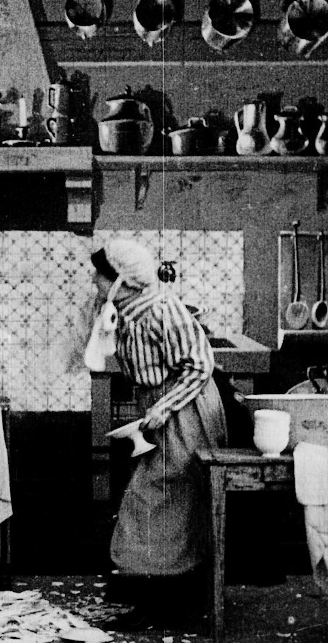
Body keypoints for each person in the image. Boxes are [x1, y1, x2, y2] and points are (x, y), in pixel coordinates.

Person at [89, 238, 227, 631]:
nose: (95, 283)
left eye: (100, 276)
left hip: (186, 411)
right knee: (160, 502)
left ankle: (171, 605)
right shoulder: (130, 311)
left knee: (164, 499)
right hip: (160, 409)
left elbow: (201, 365)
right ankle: (157, 603)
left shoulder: (163, 310)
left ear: (122, 280)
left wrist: (162, 408)